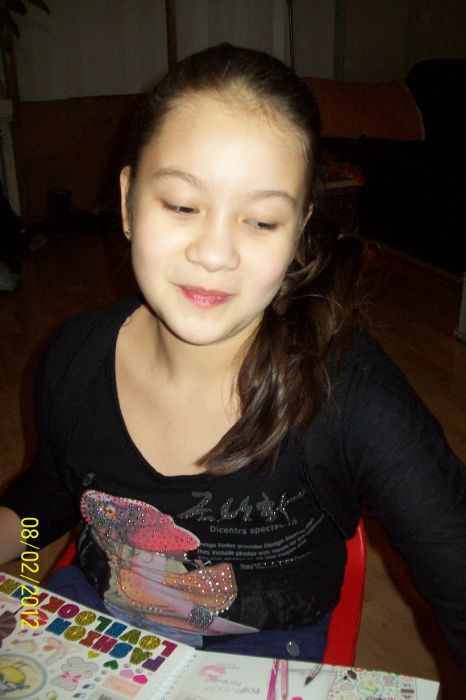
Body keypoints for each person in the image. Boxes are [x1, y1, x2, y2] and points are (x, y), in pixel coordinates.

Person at [0, 44, 465, 674]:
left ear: (298, 231)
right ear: (129, 200)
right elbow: (49, 497)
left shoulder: (345, 388)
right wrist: (28, 585)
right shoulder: (74, 359)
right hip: (98, 611)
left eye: (262, 221)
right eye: (182, 205)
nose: (215, 253)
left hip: (263, 648)